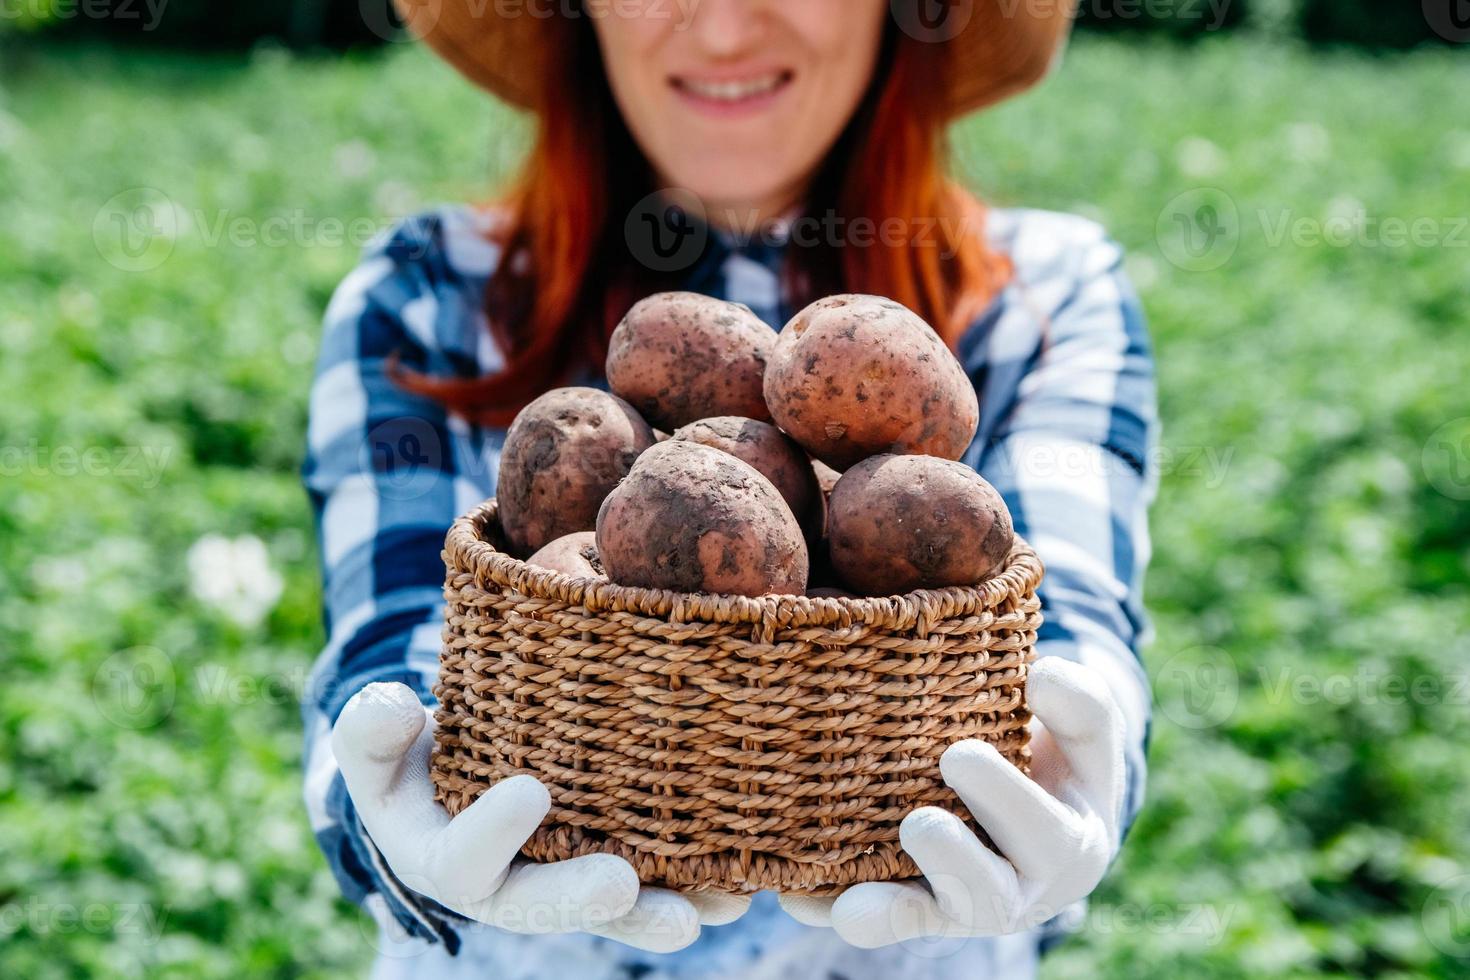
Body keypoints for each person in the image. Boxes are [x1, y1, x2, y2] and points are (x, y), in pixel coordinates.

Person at [301, 1, 1156, 977]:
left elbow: (1071, 608)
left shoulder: (1046, 292)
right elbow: (397, 624)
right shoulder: (426, 288)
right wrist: (397, 802)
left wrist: (1086, 761)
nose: (721, 31)